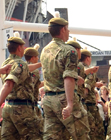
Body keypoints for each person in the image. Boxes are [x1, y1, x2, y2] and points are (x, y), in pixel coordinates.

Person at [40, 11, 90, 140]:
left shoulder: (45, 50)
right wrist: (69, 103)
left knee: (53, 137)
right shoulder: (69, 50)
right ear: (63, 30)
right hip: (63, 97)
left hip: (49, 99)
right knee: (81, 135)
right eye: (67, 29)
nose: (68, 33)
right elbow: (67, 77)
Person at [0, 32, 42, 140]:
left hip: (8, 107)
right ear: (19, 48)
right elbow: (9, 83)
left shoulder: (6, 63)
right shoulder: (20, 64)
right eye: (23, 47)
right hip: (23, 109)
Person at [82, 47, 105, 140]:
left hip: (83, 104)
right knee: (96, 131)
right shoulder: (90, 71)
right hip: (89, 105)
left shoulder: (79, 69)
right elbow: (86, 87)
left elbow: (83, 83)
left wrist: (95, 84)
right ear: (88, 58)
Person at [24, 43, 44, 136]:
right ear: (32, 58)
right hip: (31, 105)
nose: (38, 59)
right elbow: (33, 86)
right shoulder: (34, 70)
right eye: (36, 57)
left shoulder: (22, 67)